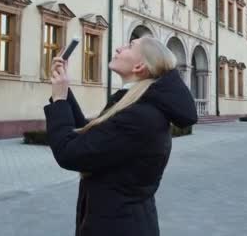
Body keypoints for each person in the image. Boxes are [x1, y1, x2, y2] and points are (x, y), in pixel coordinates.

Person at [44, 36, 198, 236]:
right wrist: (63, 91)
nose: (118, 48)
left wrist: (59, 101)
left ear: (139, 66)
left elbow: (71, 153)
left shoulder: (139, 116)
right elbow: (94, 141)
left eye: (129, 46)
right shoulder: (137, 105)